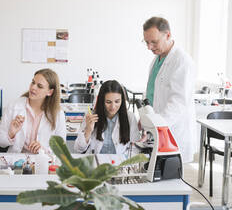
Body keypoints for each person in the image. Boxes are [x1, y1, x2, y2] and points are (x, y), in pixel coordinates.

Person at [143, 16, 196, 163]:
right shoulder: (157, 60)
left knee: (171, 177)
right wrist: (147, 119)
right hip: (158, 128)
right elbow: (151, 92)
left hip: (173, 130)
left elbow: (178, 102)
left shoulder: (182, 61)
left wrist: (156, 124)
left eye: (154, 41)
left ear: (168, 35)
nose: (149, 47)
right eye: (146, 42)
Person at [0, 68, 66, 153]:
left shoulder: (58, 114)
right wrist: (11, 134)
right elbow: (0, 142)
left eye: (39, 86)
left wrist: (44, 150)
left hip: (43, 161)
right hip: (16, 161)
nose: (33, 87)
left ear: (50, 92)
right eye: (33, 82)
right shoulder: (14, 106)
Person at [74, 80, 141, 155]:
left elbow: (135, 149)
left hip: (120, 164)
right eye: (108, 102)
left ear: (122, 101)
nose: (113, 107)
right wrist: (88, 130)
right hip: (95, 164)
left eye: (117, 101)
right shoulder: (92, 116)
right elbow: (78, 149)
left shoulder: (130, 118)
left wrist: (124, 163)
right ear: (102, 101)